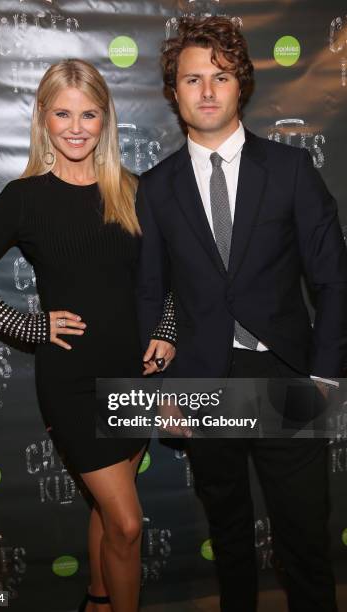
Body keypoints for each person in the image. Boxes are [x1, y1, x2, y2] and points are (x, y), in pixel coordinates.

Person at [0, 59, 176, 612]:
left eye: (89, 113)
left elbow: (170, 280)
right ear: (43, 118)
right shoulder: (25, 197)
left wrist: (165, 332)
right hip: (70, 380)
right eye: (63, 113)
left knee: (105, 511)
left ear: (105, 119)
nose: (76, 127)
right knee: (126, 522)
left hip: (133, 373)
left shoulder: (135, 191)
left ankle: (97, 599)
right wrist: (27, 326)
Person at [136, 16, 347, 612]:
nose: (206, 91)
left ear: (240, 85)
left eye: (220, 77)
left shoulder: (290, 171)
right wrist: (166, 390)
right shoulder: (154, 189)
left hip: (286, 377)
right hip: (201, 383)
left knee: (304, 539)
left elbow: (333, 280)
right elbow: (153, 296)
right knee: (228, 539)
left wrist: (326, 377)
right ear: (174, 91)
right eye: (192, 79)